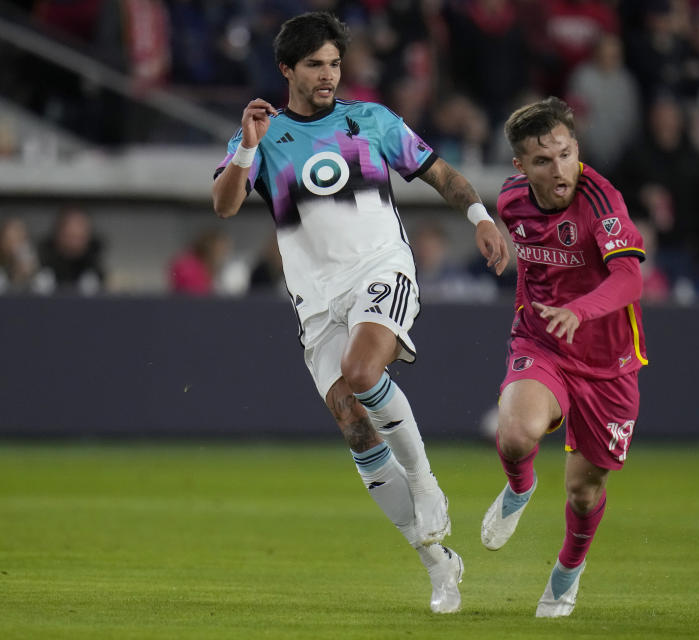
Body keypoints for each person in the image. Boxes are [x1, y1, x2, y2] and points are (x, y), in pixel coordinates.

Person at [210, 11, 509, 614]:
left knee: (364, 372)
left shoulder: (369, 119)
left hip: (380, 270)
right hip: (315, 302)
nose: (328, 75)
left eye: (335, 64)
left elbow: (440, 173)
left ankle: (427, 485)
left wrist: (479, 217)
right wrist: (246, 146)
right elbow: (224, 204)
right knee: (353, 423)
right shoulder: (263, 136)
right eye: (316, 64)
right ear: (287, 70)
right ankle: (438, 566)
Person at [481, 97, 647, 617]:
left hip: (609, 363)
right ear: (520, 167)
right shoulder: (510, 201)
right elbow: (522, 244)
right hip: (542, 342)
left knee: (583, 489)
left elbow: (629, 277)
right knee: (516, 432)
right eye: (543, 160)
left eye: (567, 153)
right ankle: (518, 488)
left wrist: (580, 310)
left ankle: (566, 573)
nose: (560, 170)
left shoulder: (602, 201)